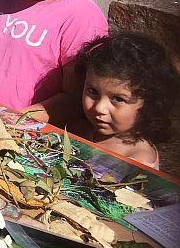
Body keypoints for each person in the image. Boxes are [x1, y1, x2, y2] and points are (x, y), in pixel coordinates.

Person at [70, 33, 180, 170]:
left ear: (149, 103)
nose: (100, 108)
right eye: (93, 91)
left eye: (118, 99)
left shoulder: (138, 163)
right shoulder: (80, 129)